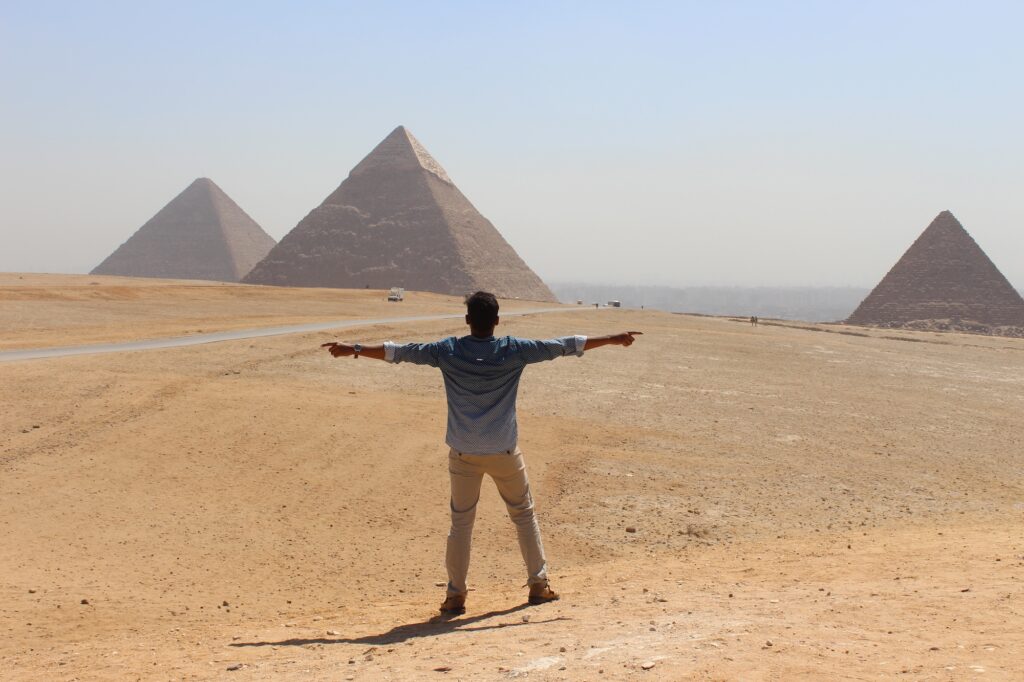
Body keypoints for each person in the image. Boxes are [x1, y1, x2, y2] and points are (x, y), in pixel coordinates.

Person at [322, 291, 641, 615]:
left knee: (461, 524)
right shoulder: (514, 350)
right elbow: (565, 345)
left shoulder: (447, 350)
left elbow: (399, 352)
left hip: (464, 453)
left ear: (467, 320)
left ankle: (455, 595)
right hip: (503, 451)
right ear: (497, 321)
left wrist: (355, 349)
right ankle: (538, 585)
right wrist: (614, 339)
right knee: (524, 516)